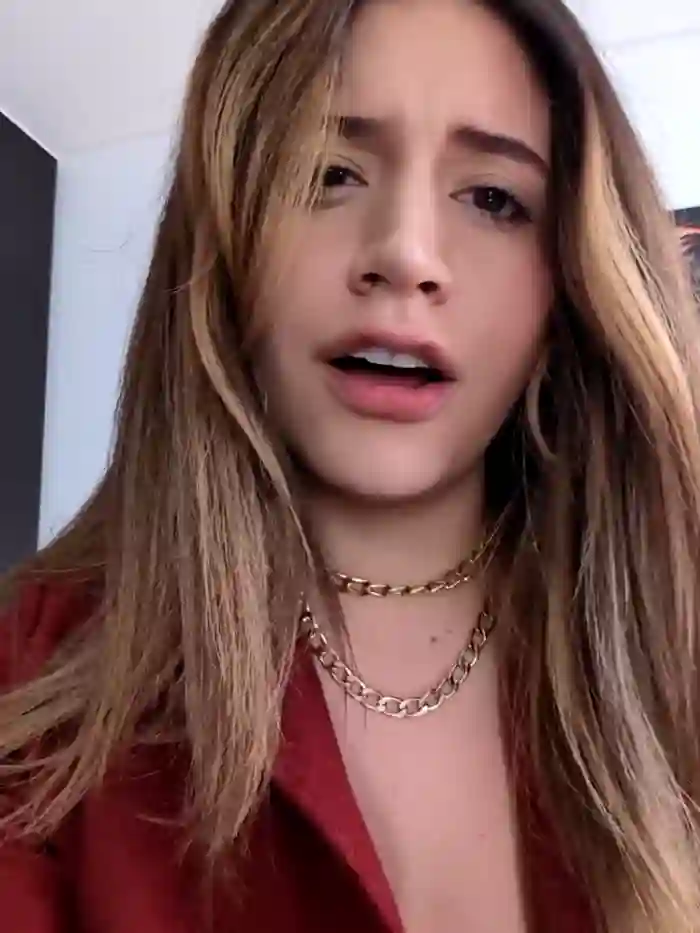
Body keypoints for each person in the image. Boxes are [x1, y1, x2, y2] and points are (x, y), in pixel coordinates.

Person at [1, 0, 700, 930]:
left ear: (568, 282)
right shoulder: (33, 671)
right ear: (223, 242)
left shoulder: (673, 642)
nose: (405, 254)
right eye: (329, 173)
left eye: (494, 198)